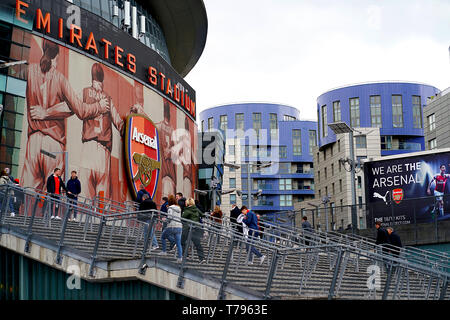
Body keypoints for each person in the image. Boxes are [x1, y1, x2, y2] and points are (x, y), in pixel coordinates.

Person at [21, 40, 109, 191]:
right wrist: (98, 106)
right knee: (53, 194)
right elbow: (80, 110)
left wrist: (46, 112)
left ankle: (16, 215)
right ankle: (52, 216)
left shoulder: (30, 71)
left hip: (33, 143)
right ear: (57, 56)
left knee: (26, 194)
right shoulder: (59, 79)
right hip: (53, 144)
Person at [181, 198, 206, 263]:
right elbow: (202, 215)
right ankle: (202, 258)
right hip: (197, 228)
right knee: (197, 244)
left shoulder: (187, 210)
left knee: (182, 241)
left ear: (188, 203)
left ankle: (186, 255)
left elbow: (182, 218)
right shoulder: (196, 209)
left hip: (189, 228)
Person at [159, 195, 183, 262]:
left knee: (163, 237)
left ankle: (164, 251)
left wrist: (165, 219)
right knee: (178, 243)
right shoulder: (179, 208)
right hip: (179, 226)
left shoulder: (170, 208)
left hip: (171, 226)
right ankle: (180, 257)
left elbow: (170, 217)